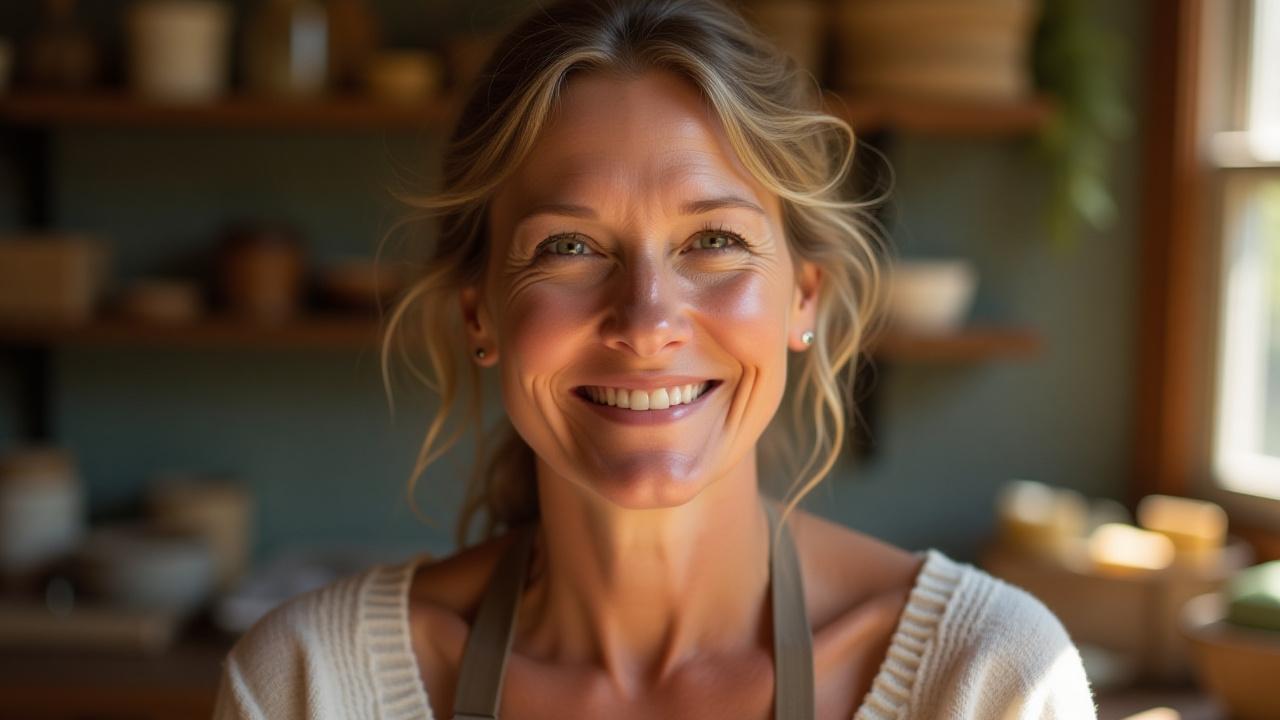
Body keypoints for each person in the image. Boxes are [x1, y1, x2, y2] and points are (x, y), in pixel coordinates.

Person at [213, 0, 1097, 718]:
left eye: (713, 241)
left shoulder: (986, 681)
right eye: (567, 248)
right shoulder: (312, 685)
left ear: (803, 298)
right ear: (480, 312)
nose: (645, 322)